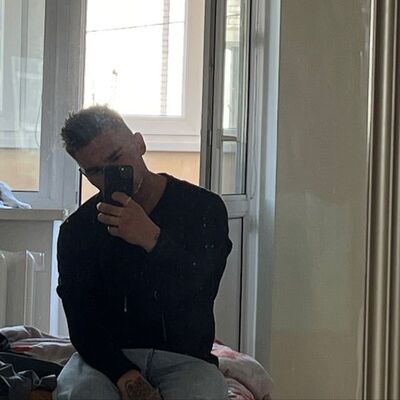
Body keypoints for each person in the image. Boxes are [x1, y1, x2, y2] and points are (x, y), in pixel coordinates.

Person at [55, 105, 232, 400]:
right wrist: (124, 373)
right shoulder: (78, 230)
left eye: (117, 158)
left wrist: (152, 238)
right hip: (105, 360)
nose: (110, 174)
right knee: (82, 394)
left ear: (139, 144)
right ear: (85, 175)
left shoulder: (202, 208)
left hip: (186, 359)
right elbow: (82, 321)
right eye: (96, 170)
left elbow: (200, 289)